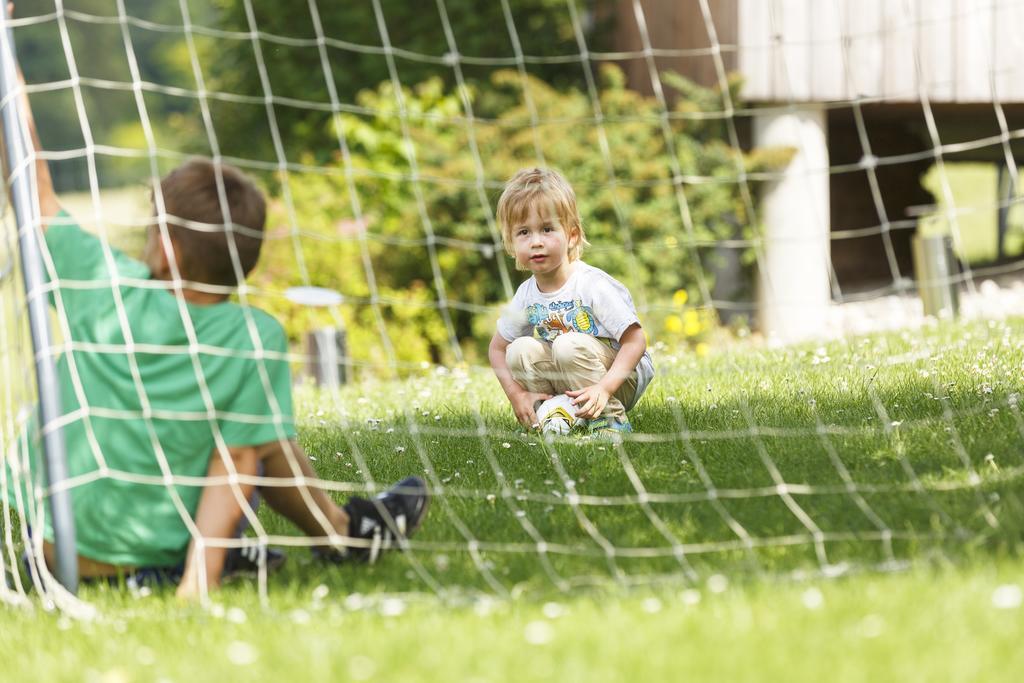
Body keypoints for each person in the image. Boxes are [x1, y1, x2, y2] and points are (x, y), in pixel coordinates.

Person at [2, 57, 428, 599]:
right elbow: (238, 462)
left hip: (51, 545)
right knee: (258, 437)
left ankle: (333, 535)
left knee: (253, 431)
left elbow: (33, 188)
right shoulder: (252, 335)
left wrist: (6, 60)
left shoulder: (102, 285)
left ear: (169, 248)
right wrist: (195, 585)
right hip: (151, 551)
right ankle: (339, 534)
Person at [488, 168, 654, 435]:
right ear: (510, 242)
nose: (536, 242)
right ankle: (555, 414)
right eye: (523, 233)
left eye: (547, 229)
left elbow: (636, 341)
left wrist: (604, 388)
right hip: (570, 373)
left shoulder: (592, 284)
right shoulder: (526, 295)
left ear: (572, 235)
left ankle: (610, 420)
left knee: (567, 344)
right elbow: (497, 349)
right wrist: (516, 394)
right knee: (518, 350)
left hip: (619, 378)